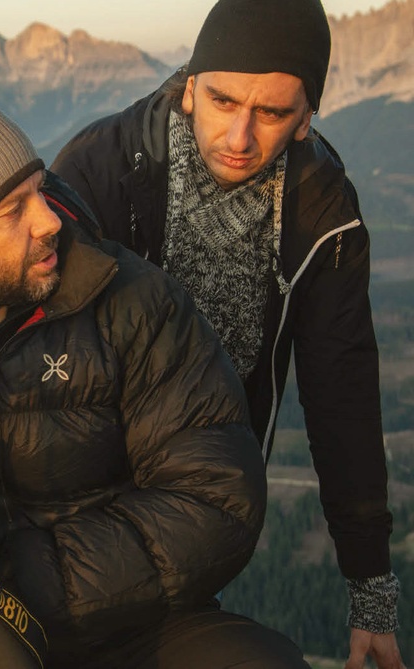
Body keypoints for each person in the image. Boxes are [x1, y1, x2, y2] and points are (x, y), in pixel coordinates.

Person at [0, 84, 309, 668]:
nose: (49, 221)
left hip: (133, 620)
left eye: (39, 191)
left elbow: (215, 501)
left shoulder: (133, 302)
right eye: (12, 211)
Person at [50, 0, 403, 666]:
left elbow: (343, 398)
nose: (238, 136)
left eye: (271, 113)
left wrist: (371, 597)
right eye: (222, 99)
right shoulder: (102, 170)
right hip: (60, 521)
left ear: (305, 120)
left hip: (194, 532)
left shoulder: (321, 208)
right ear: (190, 85)